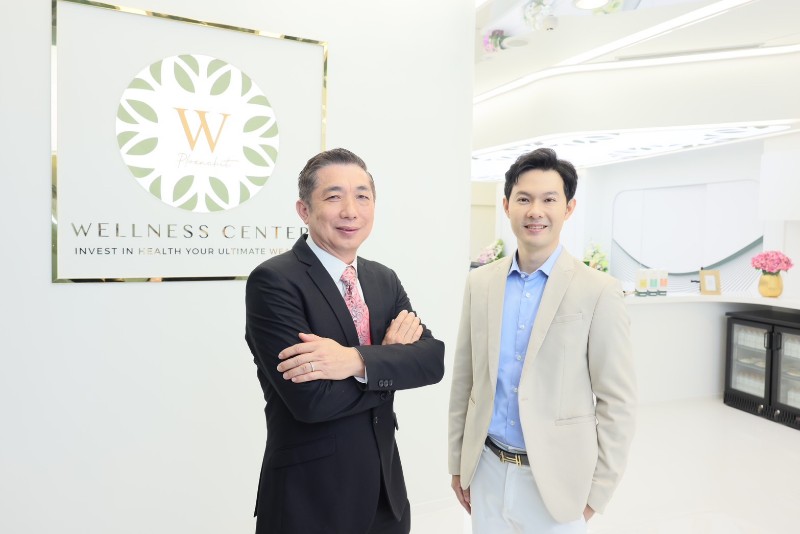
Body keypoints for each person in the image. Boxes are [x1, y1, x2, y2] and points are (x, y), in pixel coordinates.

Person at [245, 147, 445, 534]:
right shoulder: (274, 281)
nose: (351, 211)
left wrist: (353, 361)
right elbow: (312, 401)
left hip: (386, 495)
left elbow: (431, 361)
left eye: (362, 196)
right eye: (334, 196)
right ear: (304, 210)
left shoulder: (383, 278)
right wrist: (389, 362)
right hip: (311, 500)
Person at [448, 148, 636, 533]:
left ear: (568, 208)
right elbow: (465, 381)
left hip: (557, 484)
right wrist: (458, 463)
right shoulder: (480, 283)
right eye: (524, 199)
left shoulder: (599, 291)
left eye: (549, 199)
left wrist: (596, 494)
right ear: (506, 206)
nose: (536, 211)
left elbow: (617, 401)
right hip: (486, 471)